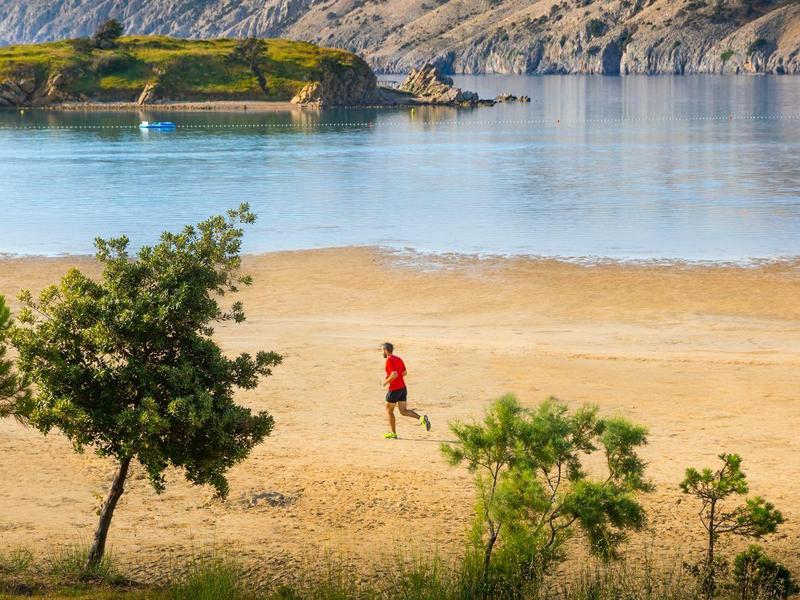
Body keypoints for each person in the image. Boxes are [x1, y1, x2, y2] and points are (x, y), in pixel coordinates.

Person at [381, 342, 431, 439]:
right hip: (402, 388)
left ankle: (393, 433)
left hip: (394, 389)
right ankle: (421, 419)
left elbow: (394, 374)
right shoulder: (398, 359)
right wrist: (395, 378)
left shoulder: (389, 360)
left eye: (382, 350)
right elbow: (404, 373)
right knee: (403, 411)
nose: (382, 352)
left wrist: (385, 382)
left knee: (389, 410)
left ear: (386, 351)